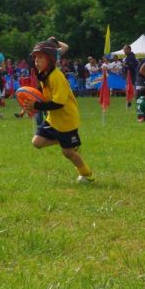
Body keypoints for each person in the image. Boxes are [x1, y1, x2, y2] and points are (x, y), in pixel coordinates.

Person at [22, 40, 94, 183]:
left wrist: (36, 105)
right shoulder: (44, 74)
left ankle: (87, 174)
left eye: (40, 57)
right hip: (53, 119)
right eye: (35, 57)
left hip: (66, 120)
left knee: (68, 152)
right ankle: (67, 141)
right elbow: (45, 96)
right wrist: (29, 101)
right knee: (37, 142)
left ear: (50, 59)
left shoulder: (56, 76)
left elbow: (58, 103)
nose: (36, 61)